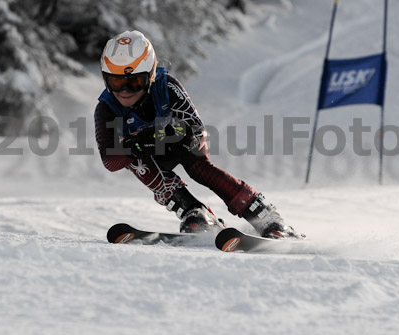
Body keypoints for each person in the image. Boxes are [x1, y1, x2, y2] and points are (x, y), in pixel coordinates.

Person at [94, 30, 302, 238]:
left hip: (177, 144)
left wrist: (168, 134)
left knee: (198, 166)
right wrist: (140, 143)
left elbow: (196, 131)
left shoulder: (167, 87)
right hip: (146, 154)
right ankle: (194, 211)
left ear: (150, 76)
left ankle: (264, 215)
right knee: (135, 162)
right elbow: (110, 161)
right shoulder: (106, 109)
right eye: (116, 82)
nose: (124, 91)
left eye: (134, 82)